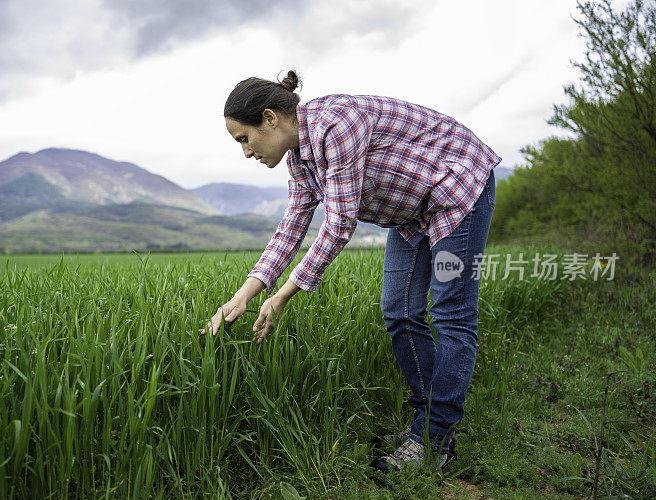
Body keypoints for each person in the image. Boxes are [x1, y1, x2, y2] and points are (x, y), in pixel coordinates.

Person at [202, 69, 500, 472]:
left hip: (458, 188)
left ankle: (432, 440)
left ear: (270, 118)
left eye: (244, 139)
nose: (246, 152)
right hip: (412, 213)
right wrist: (241, 298)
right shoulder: (301, 160)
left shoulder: (335, 125)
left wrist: (282, 297)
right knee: (399, 311)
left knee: (451, 314)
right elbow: (291, 229)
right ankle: (426, 425)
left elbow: (339, 223)